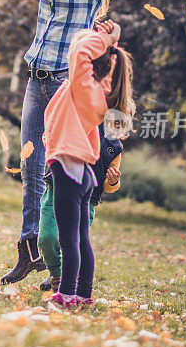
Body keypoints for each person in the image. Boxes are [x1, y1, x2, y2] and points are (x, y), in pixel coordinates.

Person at [1, 0, 127, 285]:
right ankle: (29, 248)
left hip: (63, 82)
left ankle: (60, 261)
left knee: (57, 170)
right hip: (36, 80)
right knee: (30, 167)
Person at [43, 20, 134, 305]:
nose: (77, 46)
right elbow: (91, 58)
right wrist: (109, 46)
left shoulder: (83, 87)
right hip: (82, 172)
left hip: (70, 169)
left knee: (69, 238)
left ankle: (68, 294)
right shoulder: (97, 90)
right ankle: (83, 295)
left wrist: (107, 39)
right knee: (80, 237)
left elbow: (80, 52)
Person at [38, 123, 122, 292]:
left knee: (73, 243)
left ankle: (65, 283)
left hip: (87, 199)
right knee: (46, 239)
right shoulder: (76, 119)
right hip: (56, 188)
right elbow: (48, 137)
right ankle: (57, 273)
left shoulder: (115, 147)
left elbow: (109, 185)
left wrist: (113, 181)